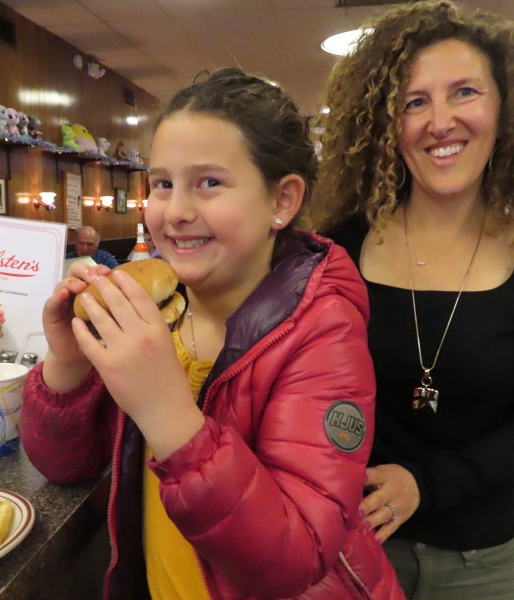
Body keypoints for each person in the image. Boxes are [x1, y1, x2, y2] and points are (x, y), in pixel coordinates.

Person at [20, 68, 403, 599]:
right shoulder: (151, 310)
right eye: (162, 184)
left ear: (282, 201)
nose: (176, 211)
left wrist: (166, 412)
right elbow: (64, 467)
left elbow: (296, 560)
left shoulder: (323, 331)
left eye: (210, 182)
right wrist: (66, 367)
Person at [305, 2, 514, 599]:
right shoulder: (339, 247)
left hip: (481, 565)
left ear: (505, 109)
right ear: (388, 124)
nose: (440, 121)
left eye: (464, 92)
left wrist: (421, 483)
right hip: (344, 550)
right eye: (414, 101)